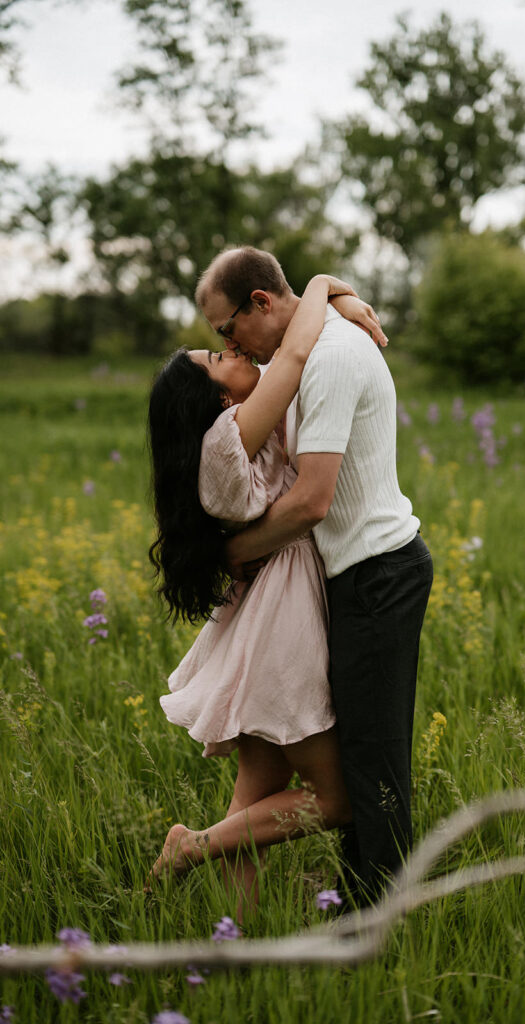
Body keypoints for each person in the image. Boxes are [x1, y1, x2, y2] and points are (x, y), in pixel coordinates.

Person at [197, 246, 433, 907]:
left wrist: (231, 554)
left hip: (378, 573)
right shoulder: (301, 350)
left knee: (375, 763)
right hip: (349, 574)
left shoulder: (329, 357)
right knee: (359, 758)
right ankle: (354, 908)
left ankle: (374, 924)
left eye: (226, 329)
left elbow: (312, 501)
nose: (229, 343)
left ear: (262, 304)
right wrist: (333, 288)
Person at [146, 272, 386, 919]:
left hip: (264, 607)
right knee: (333, 800)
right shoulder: (224, 443)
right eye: (221, 357)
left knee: (258, 792)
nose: (238, 354)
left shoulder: (230, 435)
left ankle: (235, 943)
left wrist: (336, 300)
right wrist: (324, 284)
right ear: (213, 401)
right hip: (282, 617)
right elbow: (298, 352)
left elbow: (289, 347)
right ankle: (190, 847)